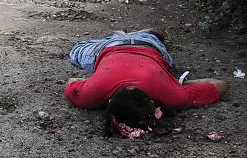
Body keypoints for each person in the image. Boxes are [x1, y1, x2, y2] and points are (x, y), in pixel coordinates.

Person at [65, 30, 228, 138]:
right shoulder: (90, 95)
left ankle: (125, 35)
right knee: (79, 50)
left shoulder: (173, 95)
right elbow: (73, 82)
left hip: (150, 47)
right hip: (122, 47)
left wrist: (180, 84)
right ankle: (126, 35)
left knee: (78, 48)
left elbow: (220, 85)